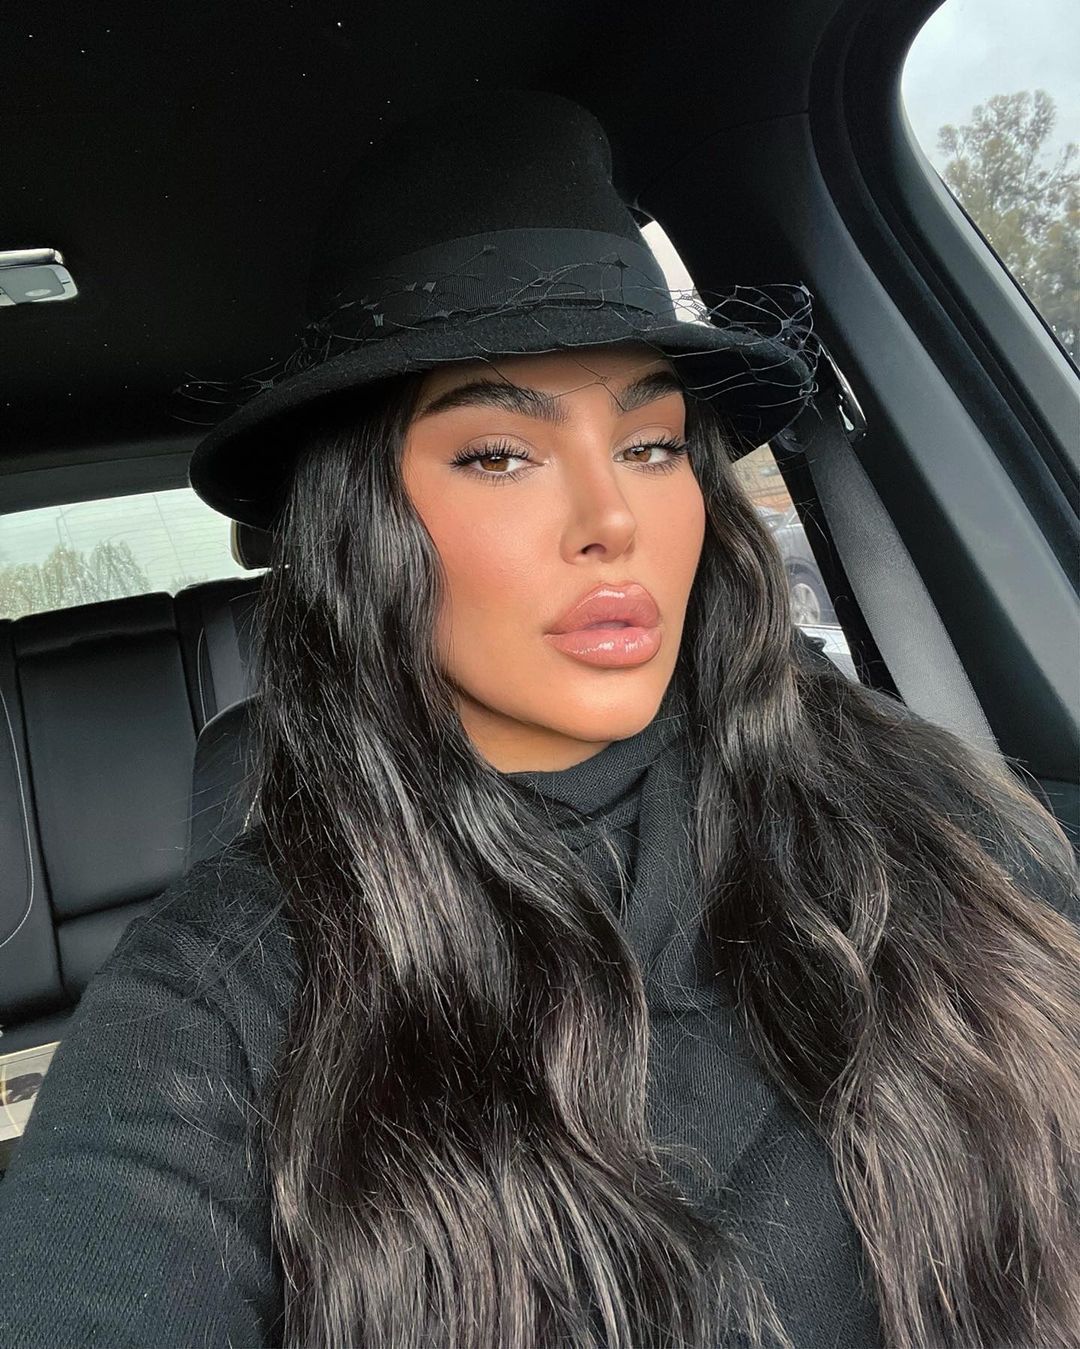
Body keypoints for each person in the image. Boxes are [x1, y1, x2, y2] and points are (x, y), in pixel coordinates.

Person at [0, 89, 1077, 1349]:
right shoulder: (226, 986)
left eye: (653, 444)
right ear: (367, 526)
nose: (612, 520)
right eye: (498, 453)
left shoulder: (914, 798)